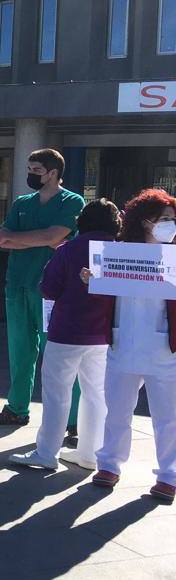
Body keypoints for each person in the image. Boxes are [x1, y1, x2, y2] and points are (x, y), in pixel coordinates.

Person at [9, 198, 121, 472]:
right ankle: (90, 453)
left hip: (67, 332)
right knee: (96, 394)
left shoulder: (69, 250)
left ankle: (47, 453)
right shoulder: (120, 252)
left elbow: (48, 289)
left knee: (57, 394)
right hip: (103, 335)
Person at [0, 149, 84, 431]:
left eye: (36, 170)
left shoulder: (72, 201)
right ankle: (17, 408)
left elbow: (54, 236)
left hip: (53, 291)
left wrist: (23, 238)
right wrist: (41, 239)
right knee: (20, 352)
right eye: (29, 168)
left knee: (59, 356)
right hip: (17, 285)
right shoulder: (22, 203)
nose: (30, 174)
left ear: (53, 173)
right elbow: (1, 240)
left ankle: (73, 420)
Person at [93, 189, 176, 503]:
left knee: (168, 416)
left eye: (173, 220)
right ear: (145, 222)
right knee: (117, 410)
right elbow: (106, 295)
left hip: (165, 349)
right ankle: (109, 464)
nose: (171, 225)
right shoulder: (119, 253)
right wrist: (92, 278)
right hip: (124, 341)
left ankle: (169, 475)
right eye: (165, 220)